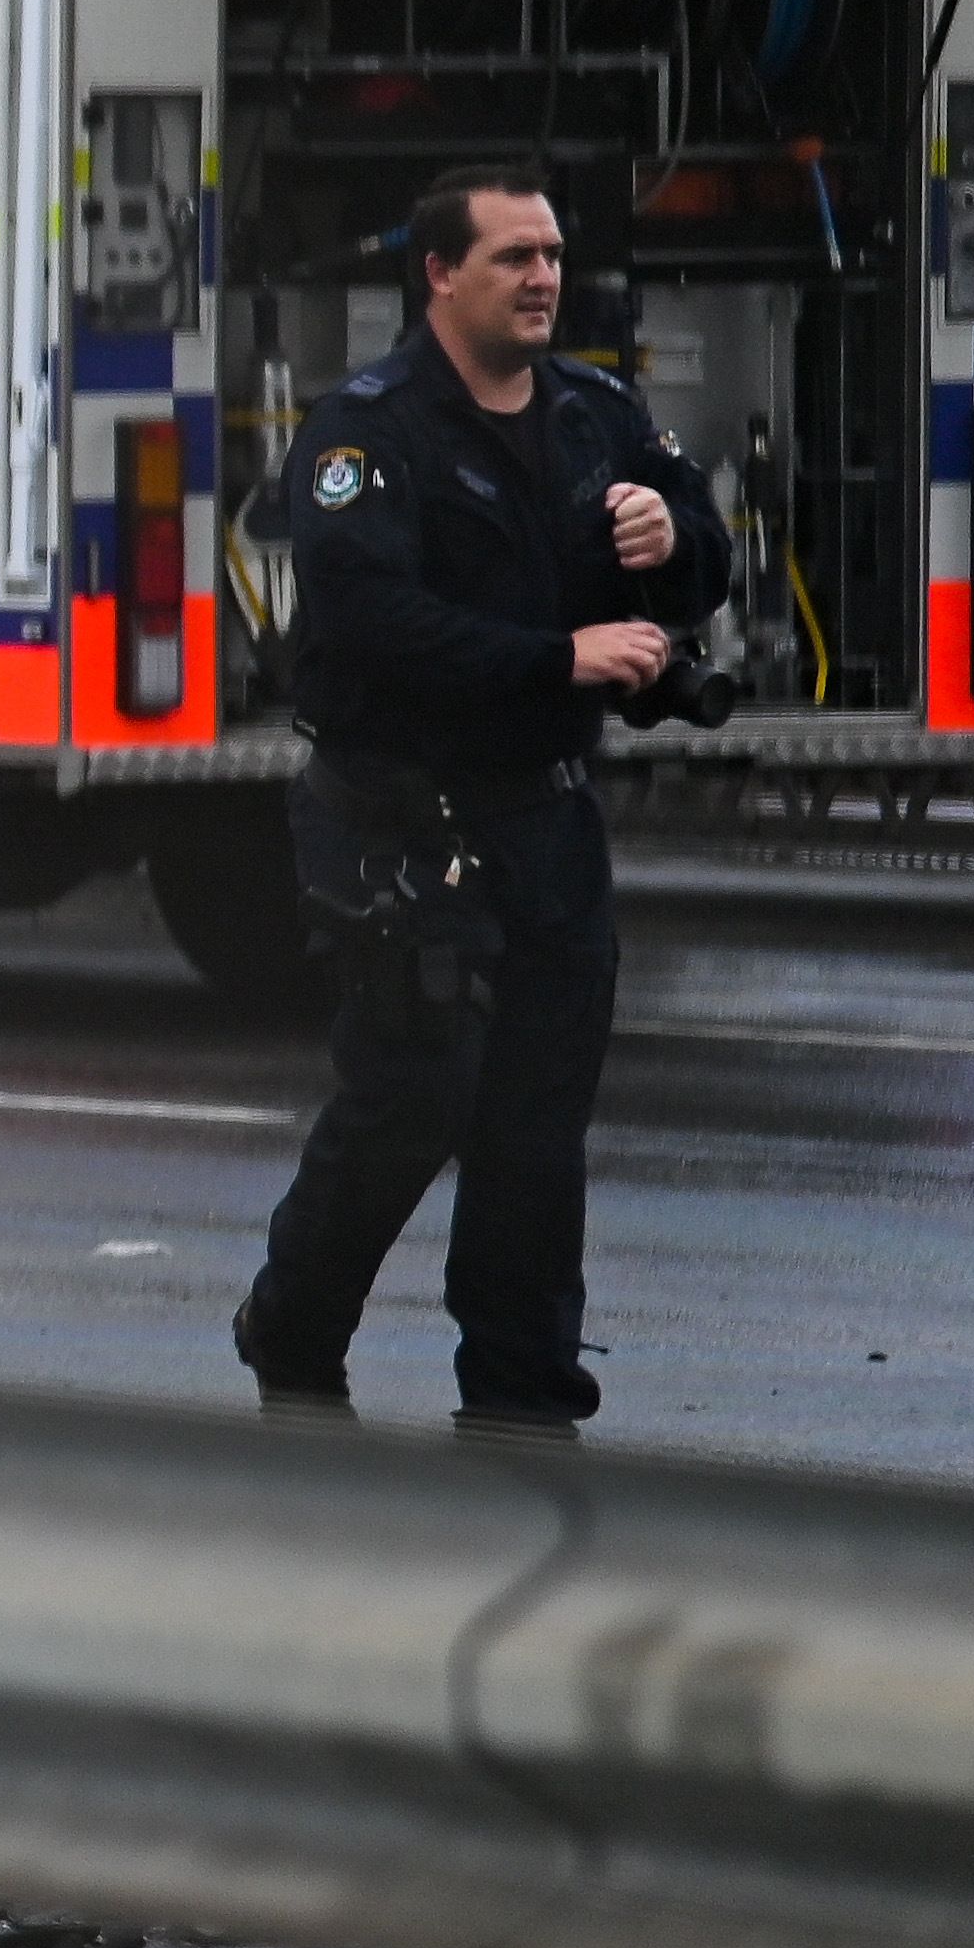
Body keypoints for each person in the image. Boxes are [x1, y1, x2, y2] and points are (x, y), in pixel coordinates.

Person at [234, 167, 732, 1440]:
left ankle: (521, 1404)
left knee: (533, 1123)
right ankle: (293, 1327)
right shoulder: (367, 433)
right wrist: (556, 659)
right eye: (513, 257)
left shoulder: (590, 414)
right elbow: (368, 618)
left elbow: (704, 557)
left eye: (553, 255)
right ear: (439, 275)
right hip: (401, 818)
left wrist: (670, 539)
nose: (543, 279)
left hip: (547, 821)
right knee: (415, 1095)